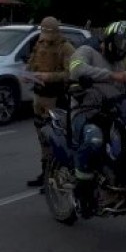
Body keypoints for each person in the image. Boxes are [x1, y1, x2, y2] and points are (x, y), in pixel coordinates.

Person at [68, 20, 126, 220]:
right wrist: (111, 76)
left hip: (110, 114)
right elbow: (76, 70)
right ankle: (84, 193)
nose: (121, 54)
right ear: (109, 41)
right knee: (94, 140)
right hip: (85, 112)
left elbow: (124, 87)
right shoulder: (85, 51)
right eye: (120, 48)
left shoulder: (118, 62)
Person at [26, 17, 75, 192]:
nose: (46, 37)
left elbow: (71, 73)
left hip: (56, 97)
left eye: (49, 32)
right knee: (42, 137)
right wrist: (29, 74)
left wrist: (49, 77)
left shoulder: (65, 47)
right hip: (39, 96)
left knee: (55, 138)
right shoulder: (39, 45)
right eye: (44, 32)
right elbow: (31, 64)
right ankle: (45, 174)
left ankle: (55, 175)